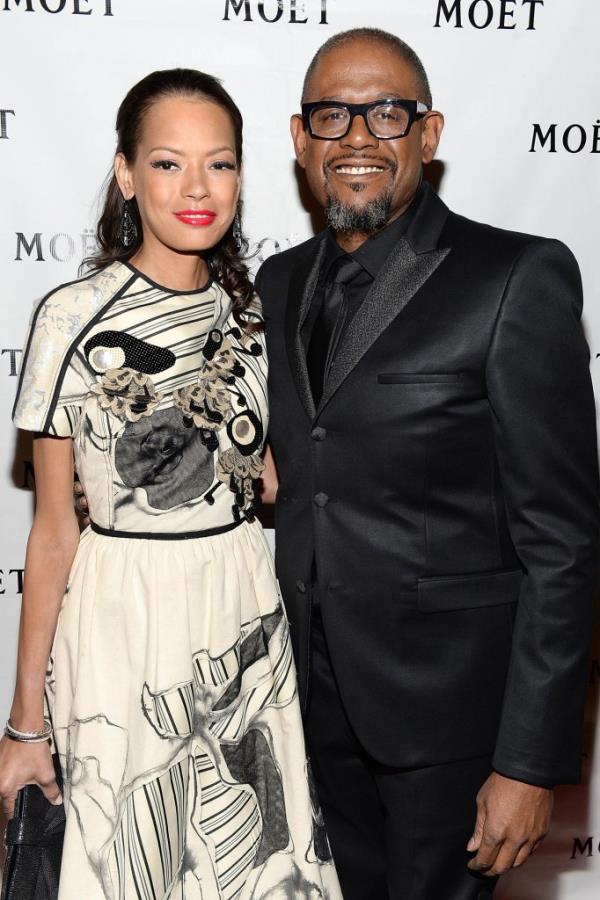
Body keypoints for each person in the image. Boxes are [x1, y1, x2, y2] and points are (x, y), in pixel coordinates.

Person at [255, 27, 600, 900]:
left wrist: (528, 762)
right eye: (333, 115)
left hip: (451, 726)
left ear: (429, 135)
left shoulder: (516, 276)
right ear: (301, 141)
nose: (359, 137)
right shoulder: (278, 284)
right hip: (304, 711)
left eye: (388, 114)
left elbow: (562, 542)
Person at [0, 68, 341, 900]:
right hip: (121, 618)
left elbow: (270, 483)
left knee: (249, 862)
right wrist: (23, 726)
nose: (197, 188)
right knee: (128, 861)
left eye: (219, 164)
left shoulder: (259, 315)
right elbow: (52, 530)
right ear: (124, 173)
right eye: (166, 163)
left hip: (240, 607)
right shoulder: (69, 318)